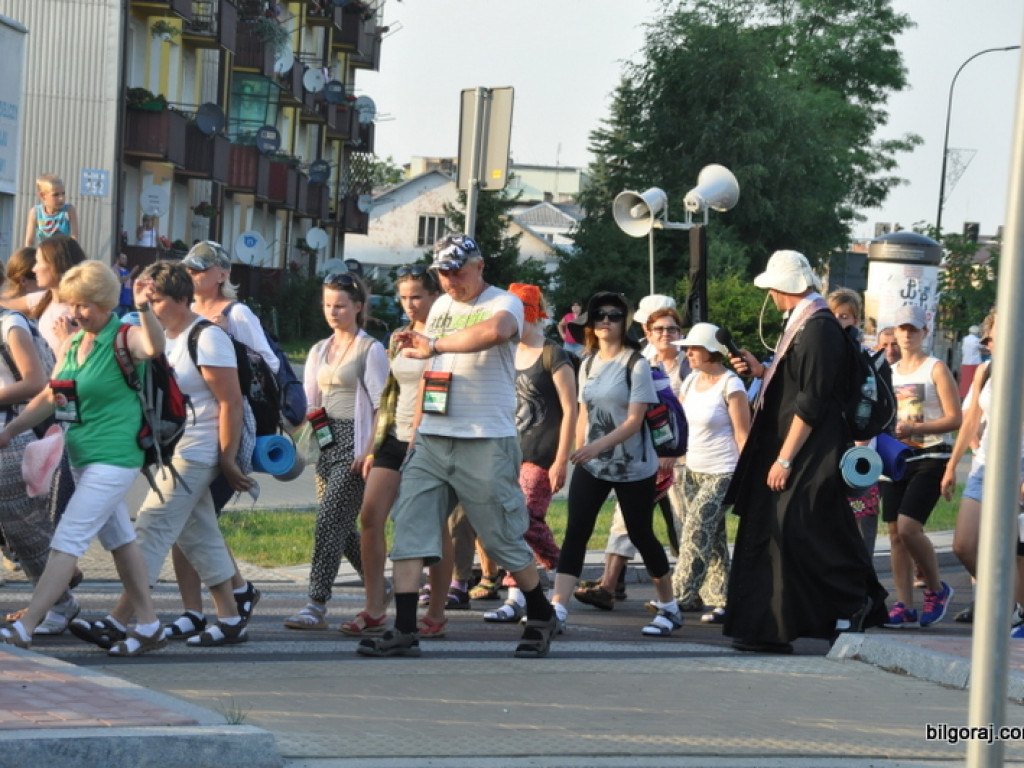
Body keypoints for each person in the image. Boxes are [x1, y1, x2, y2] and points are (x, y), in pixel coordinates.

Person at [357, 233, 558, 659]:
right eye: (443, 274)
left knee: (502, 536)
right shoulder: (443, 306)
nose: (449, 283)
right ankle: (406, 629)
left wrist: (436, 343)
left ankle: (541, 614)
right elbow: (435, 372)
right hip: (432, 438)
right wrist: (415, 435)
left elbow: (494, 332)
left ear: (480, 265)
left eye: (457, 273)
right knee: (411, 530)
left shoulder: (504, 303)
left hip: (484, 439)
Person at [70, 262, 256, 649]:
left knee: (151, 525)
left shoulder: (207, 337)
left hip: (201, 446)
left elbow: (231, 403)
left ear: (182, 299)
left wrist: (227, 459)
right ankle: (231, 616)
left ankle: (120, 621)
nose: (150, 308)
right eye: (146, 301)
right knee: (197, 530)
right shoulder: (162, 337)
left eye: (156, 300)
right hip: (170, 449)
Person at [723, 250, 888, 653]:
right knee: (794, 534)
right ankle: (770, 627)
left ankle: (854, 602)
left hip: (808, 452)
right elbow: (798, 386)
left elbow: (812, 400)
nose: (771, 296)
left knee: (803, 533)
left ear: (785, 287)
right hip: (797, 448)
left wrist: (785, 458)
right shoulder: (805, 324)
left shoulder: (816, 329)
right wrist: (761, 372)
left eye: (773, 288)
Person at [0, 260, 167, 656]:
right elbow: (53, 396)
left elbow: (155, 346)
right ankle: (149, 625)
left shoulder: (125, 338)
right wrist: (11, 430)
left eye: (85, 305)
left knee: (68, 539)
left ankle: (27, 626)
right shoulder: (75, 342)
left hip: (115, 457)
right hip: (82, 455)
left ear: (106, 301)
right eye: (73, 304)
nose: (77, 312)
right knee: (121, 541)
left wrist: (143, 306)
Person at [550, 291, 684, 637]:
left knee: (641, 534)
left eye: (613, 315)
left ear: (624, 322)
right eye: (599, 316)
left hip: (634, 466)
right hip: (594, 465)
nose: (606, 321)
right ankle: (557, 608)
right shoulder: (588, 362)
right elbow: (583, 411)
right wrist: (581, 450)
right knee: (576, 532)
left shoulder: (635, 363)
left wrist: (594, 448)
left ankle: (668, 607)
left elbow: (634, 421)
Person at [162, 241, 271, 639]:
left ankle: (234, 598)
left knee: (195, 521)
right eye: (189, 269)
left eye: (202, 269)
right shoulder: (182, 317)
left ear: (223, 274)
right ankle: (198, 609)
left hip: (225, 431)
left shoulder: (235, 314)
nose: (194, 275)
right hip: (186, 435)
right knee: (187, 524)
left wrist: (226, 354)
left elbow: (267, 367)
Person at [338, 264, 447, 637]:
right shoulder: (401, 337)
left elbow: (440, 389)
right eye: (403, 297)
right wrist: (370, 446)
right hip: (394, 437)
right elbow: (389, 395)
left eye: (417, 296)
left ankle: (434, 612)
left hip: (432, 438)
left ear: (435, 295)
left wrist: (421, 431)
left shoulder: (446, 338)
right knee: (370, 515)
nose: (409, 304)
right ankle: (373, 605)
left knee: (434, 526)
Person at [284, 272, 387, 630]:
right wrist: (299, 433)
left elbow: (382, 406)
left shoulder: (370, 349)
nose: (333, 311)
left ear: (358, 307)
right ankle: (379, 584)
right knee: (340, 526)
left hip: (355, 444)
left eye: (341, 305)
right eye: (328, 305)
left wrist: (369, 450)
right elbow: (313, 402)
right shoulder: (319, 349)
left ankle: (315, 604)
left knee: (328, 520)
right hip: (327, 441)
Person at [480, 283, 575, 623]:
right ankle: (516, 595)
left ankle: (560, 565)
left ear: (531, 313)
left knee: (524, 519)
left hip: (543, 451)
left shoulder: (553, 354)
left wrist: (562, 458)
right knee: (508, 521)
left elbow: (570, 409)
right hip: (509, 450)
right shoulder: (506, 351)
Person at [0, 265, 78, 635]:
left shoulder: (9, 324)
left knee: (24, 529)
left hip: (12, 435)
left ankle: (60, 603)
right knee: (17, 530)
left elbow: (36, 383)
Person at [881, 304, 961, 629]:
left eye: (914, 329)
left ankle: (936, 588)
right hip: (897, 457)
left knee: (909, 526)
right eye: (903, 329)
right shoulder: (889, 372)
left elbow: (955, 419)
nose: (908, 334)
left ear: (925, 332)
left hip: (932, 456)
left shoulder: (935, 368)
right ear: (895, 333)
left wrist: (917, 429)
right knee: (895, 535)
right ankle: (903, 604)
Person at [670, 323, 749, 625]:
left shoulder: (732, 385)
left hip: (723, 472)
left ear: (713, 352)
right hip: (693, 470)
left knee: (696, 530)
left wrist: (745, 479)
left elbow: (744, 435)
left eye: (693, 348)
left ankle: (675, 598)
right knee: (713, 540)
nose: (687, 352)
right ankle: (721, 601)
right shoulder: (690, 382)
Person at [828, 287, 883, 559]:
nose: (839, 321)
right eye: (834, 315)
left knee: (857, 520)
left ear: (856, 320)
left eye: (845, 316)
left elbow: (873, 405)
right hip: (829, 447)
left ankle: (860, 581)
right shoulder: (823, 356)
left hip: (859, 450)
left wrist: (862, 441)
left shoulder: (866, 358)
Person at [24, 174, 79, 247]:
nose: (61, 198)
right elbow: (29, 240)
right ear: (42, 196)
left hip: (63, 253)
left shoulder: (69, 211)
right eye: (56, 195)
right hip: (44, 253)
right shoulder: (35, 212)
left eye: (63, 194)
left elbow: (74, 237)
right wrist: (29, 256)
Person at [959, 323, 982, 400]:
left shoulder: (965, 339)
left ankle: (963, 394)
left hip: (965, 361)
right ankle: (973, 395)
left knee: (965, 380)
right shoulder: (977, 340)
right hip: (975, 362)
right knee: (974, 380)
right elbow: (983, 346)